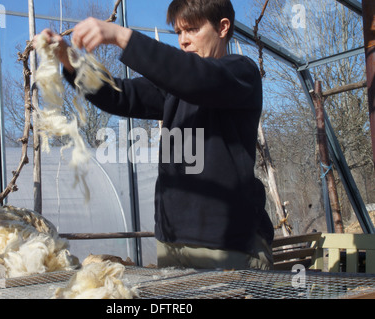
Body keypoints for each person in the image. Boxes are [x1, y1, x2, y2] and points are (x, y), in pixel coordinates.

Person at [35, 0, 274, 270]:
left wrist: (121, 36)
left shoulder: (241, 73)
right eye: (178, 33)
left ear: (222, 28)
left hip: (226, 244)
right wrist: (70, 60)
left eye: (192, 30)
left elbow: (197, 78)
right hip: (171, 242)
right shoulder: (175, 90)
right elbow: (120, 96)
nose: (183, 41)